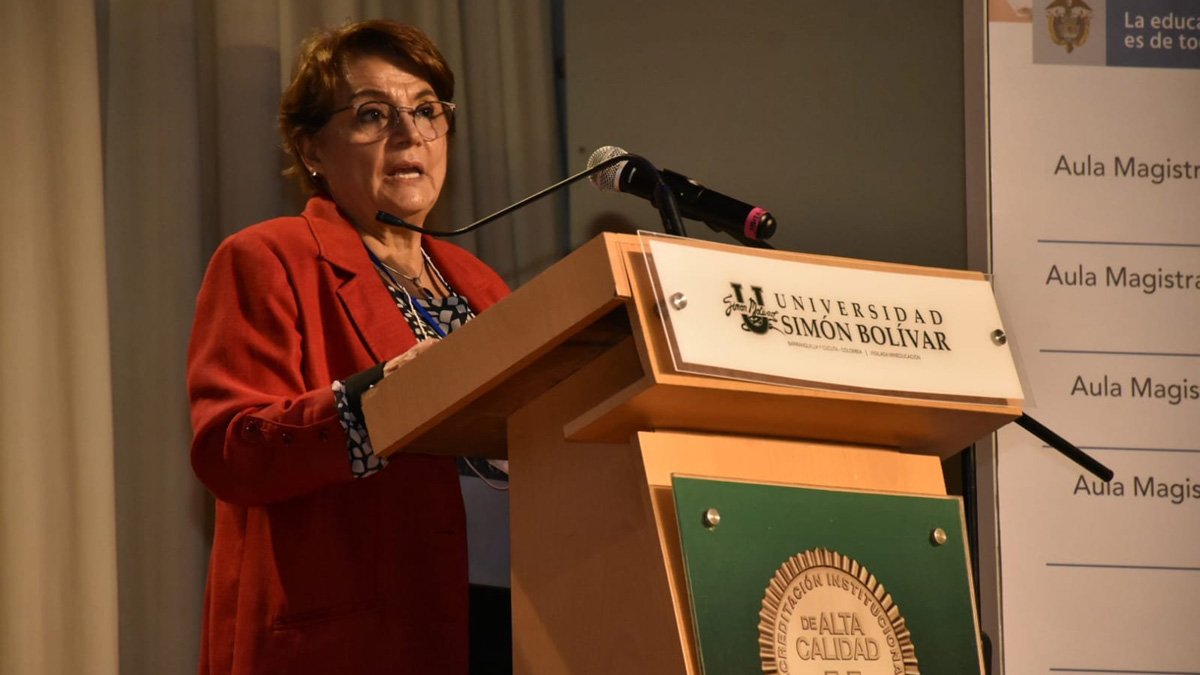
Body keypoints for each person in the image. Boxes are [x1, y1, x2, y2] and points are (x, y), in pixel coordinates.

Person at [186, 19, 508, 675]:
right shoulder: (268, 258)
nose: (409, 134)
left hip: (506, 616)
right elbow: (230, 446)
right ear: (311, 149)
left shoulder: (480, 283)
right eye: (371, 114)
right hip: (356, 636)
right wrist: (379, 401)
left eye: (426, 111)